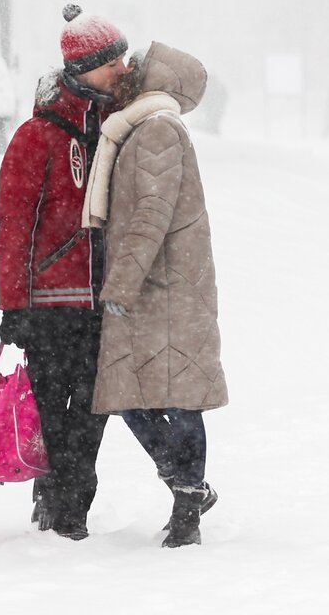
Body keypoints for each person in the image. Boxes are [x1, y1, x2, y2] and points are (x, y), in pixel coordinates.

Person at [82, 42, 228, 548]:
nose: (130, 68)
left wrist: (121, 282)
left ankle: (188, 506)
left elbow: (152, 212)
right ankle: (189, 488)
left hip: (165, 289)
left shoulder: (158, 130)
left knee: (180, 400)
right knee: (133, 398)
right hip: (158, 287)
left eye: (140, 65)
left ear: (159, 78)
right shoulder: (140, 128)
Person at [0, 4, 129, 541]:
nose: (123, 69)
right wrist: (14, 304)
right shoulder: (38, 136)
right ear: (86, 67)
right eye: (113, 60)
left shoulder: (117, 128)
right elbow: (13, 226)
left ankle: (70, 501)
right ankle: (59, 509)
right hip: (50, 305)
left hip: (102, 302)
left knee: (95, 409)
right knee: (53, 410)